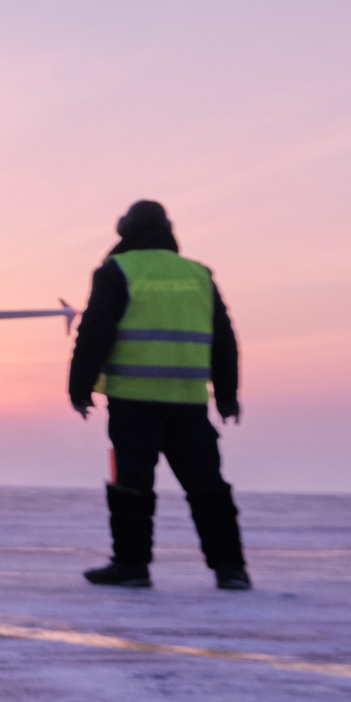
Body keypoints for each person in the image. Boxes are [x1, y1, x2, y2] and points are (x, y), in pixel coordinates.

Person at [67, 200, 250, 590]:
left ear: (124, 230)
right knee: (208, 489)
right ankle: (231, 569)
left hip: (133, 402)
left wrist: (79, 387)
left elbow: (93, 332)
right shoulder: (198, 274)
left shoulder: (118, 271)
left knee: (131, 487)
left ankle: (131, 566)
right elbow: (224, 339)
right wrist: (227, 395)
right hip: (188, 403)